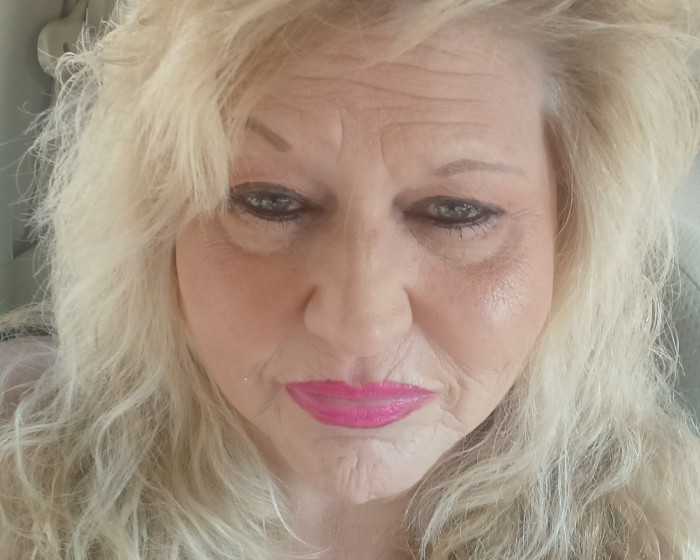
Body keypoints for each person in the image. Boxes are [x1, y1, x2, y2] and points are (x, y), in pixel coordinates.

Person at [1, 0, 699, 558]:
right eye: (269, 202)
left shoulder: (667, 526)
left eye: (457, 213)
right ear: (156, 225)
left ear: (571, 238)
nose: (358, 327)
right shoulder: (18, 482)